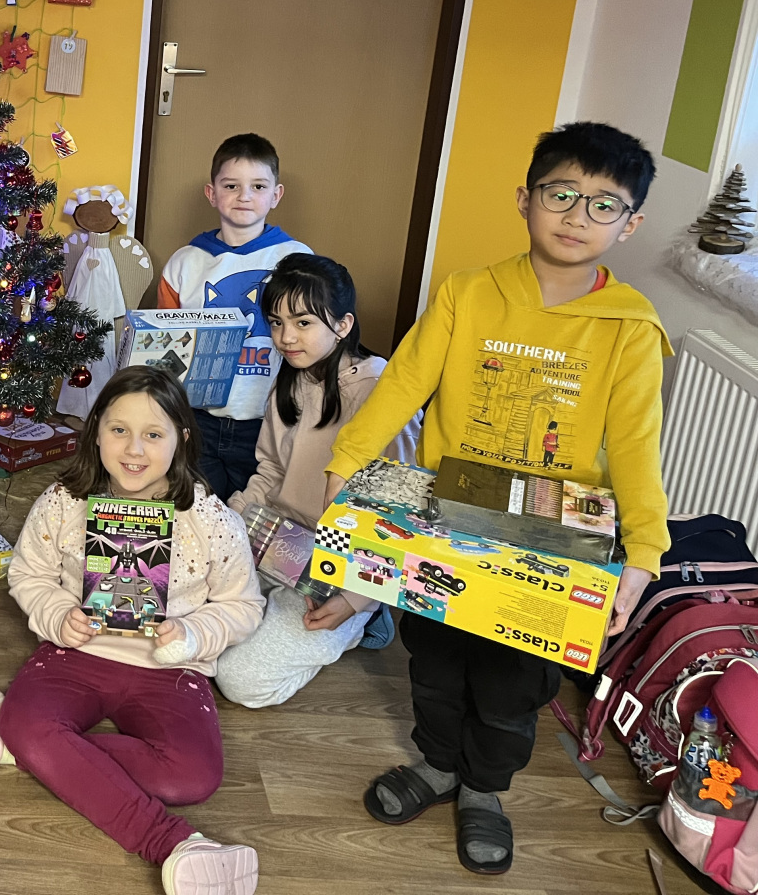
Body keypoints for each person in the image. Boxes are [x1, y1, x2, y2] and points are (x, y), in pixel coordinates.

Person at [324, 122, 672, 875]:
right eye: (561, 194)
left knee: (513, 681)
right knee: (434, 656)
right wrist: (346, 464)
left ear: (630, 223)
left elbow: (637, 447)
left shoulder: (632, 329)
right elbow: (404, 385)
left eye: (603, 204)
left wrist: (643, 555)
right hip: (448, 518)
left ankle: (484, 787)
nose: (577, 216)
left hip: (551, 541)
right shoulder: (468, 293)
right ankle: (437, 764)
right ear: (525, 199)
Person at [0, 367, 265, 895]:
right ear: (95, 432)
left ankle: (19, 742)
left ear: (181, 438)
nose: (134, 449)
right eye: (119, 430)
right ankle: (170, 843)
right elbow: (28, 574)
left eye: (153, 434)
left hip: (169, 669)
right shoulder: (64, 501)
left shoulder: (210, 518)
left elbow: (243, 605)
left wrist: (192, 632)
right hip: (77, 654)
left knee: (192, 777)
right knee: (41, 726)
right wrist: (57, 614)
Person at [216, 254, 419, 707]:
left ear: (343, 325)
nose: (286, 337)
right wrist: (224, 525)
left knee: (240, 681)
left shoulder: (381, 393)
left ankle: (368, 620)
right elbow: (270, 470)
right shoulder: (290, 379)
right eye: (276, 322)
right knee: (191, 632)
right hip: (274, 540)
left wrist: (357, 599)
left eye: (303, 322)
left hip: (342, 566)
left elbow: (401, 519)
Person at [158, 133, 311, 499]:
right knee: (200, 509)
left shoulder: (298, 260)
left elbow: (314, 340)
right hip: (198, 418)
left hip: (270, 419)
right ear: (212, 193)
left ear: (276, 195)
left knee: (256, 513)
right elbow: (165, 348)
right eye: (231, 186)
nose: (244, 196)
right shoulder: (184, 262)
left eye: (258, 186)